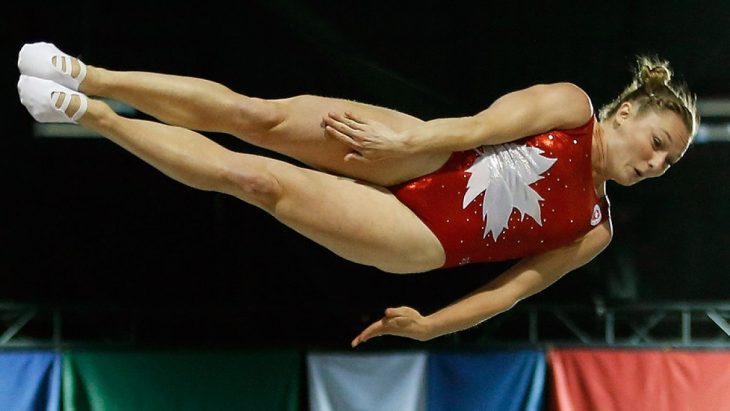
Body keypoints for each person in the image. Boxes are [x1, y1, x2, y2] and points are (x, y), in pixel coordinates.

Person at [17, 42, 698, 347]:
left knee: (254, 179)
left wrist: (431, 325)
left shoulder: (594, 227)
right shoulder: (570, 106)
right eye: (660, 141)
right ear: (628, 110)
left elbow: (510, 290)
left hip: (420, 236)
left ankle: (92, 116)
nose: (660, 162)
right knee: (258, 117)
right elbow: (480, 126)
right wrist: (403, 146)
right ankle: (91, 74)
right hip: (428, 146)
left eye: (672, 160)